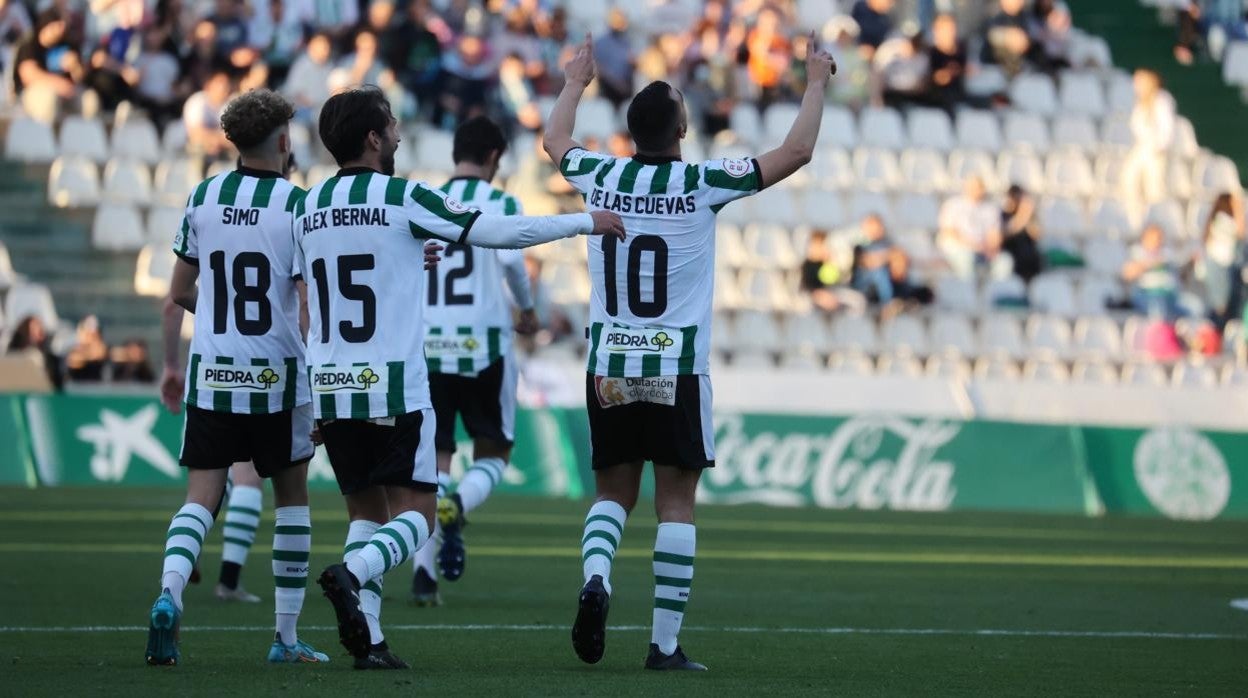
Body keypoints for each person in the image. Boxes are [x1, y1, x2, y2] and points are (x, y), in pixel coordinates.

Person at [301, 86, 623, 669]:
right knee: (418, 519)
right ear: (374, 139)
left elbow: (315, 297)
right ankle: (351, 575)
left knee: (365, 516)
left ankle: (369, 642)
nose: (399, 133)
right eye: (392, 124)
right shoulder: (403, 197)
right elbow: (501, 235)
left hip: (331, 384)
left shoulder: (307, 207)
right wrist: (583, 221)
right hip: (395, 384)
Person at [543, 33, 835, 671]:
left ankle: (597, 579)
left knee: (610, 496)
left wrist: (574, 83)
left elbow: (554, 143)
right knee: (675, 504)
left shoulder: (601, 173)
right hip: (675, 367)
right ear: (682, 127)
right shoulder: (702, 181)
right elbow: (798, 150)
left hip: (610, 364)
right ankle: (664, 645)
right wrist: (815, 82)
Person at [145, 88, 329, 667]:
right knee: (292, 500)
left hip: (213, 374)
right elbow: (309, 300)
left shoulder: (203, 197)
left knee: (201, 497)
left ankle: (170, 595)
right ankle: (286, 637)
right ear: (282, 140)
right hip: (279, 376)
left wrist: (221, 316)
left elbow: (177, 292)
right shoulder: (297, 206)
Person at [407, 116, 539, 607]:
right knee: (494, 452)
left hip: (430, 346)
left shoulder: (424, 203)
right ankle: (458, 505)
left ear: (455, 154)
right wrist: (526, 309)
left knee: (435, 458)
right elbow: (512, 263)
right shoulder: (501, 203)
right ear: (493, 159)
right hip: (484, 345)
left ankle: (424, 576)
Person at [1121, 69, 1176, 222]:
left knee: (1155, 188)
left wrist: (1160, 146)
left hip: (1156, 149)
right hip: (1142, 147)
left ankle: (1157, 220)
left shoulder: (1162, 99)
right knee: (1129, 179)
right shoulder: (1139, 101)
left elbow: (1167, 126)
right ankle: (1135, 217)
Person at [937, 175, 1009, 280]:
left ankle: (995, 291)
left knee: (1005, 261)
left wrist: (990, 248)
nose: (977, 190)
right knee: (966, 258)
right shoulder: (953, 205)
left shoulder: (991, 209)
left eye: (979, 187)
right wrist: (973, 245)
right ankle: (967, 292)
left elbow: (995, 235)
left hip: (983, 250)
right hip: (958, 248)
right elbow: (949, 232)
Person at [1200, 192, 1246, 323]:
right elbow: (1240, 233)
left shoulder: (1217, 219)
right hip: (1218, 264)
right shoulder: (1222, 219)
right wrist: (1238, 209)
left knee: (1229, 303)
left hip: (1226, 264)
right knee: (1220, 305)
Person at [182, 70, 233, 159]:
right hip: (185, 146)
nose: (224, 87)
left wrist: (218, 141)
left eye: (226, 84)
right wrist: (215, 140)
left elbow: (234, 135)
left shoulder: (229, 104)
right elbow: (195, 133)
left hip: (219, 148)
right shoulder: (197, 101)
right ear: (208, 85)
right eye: (220, 83)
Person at [1000, 184, 1043, 282]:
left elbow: (1036, 235)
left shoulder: (1029, 216)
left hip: (1030, 256)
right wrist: (1023, 215)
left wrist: (1029, 216)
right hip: (1012, 253)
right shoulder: (1003, 214)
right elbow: (1006, 233)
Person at [981, 0, 1031, 77]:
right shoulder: (994, 17)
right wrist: (1008, 36)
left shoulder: (1026, 17)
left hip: (1023, 71)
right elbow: (991, 34)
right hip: (995, 70)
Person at [65, 315, 108, 382]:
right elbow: (74, 361)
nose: (91, 336)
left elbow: (100, 354)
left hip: (96, 386)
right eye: (88, 333)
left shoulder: (101, 347)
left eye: (94, 334)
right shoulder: (73, 348)